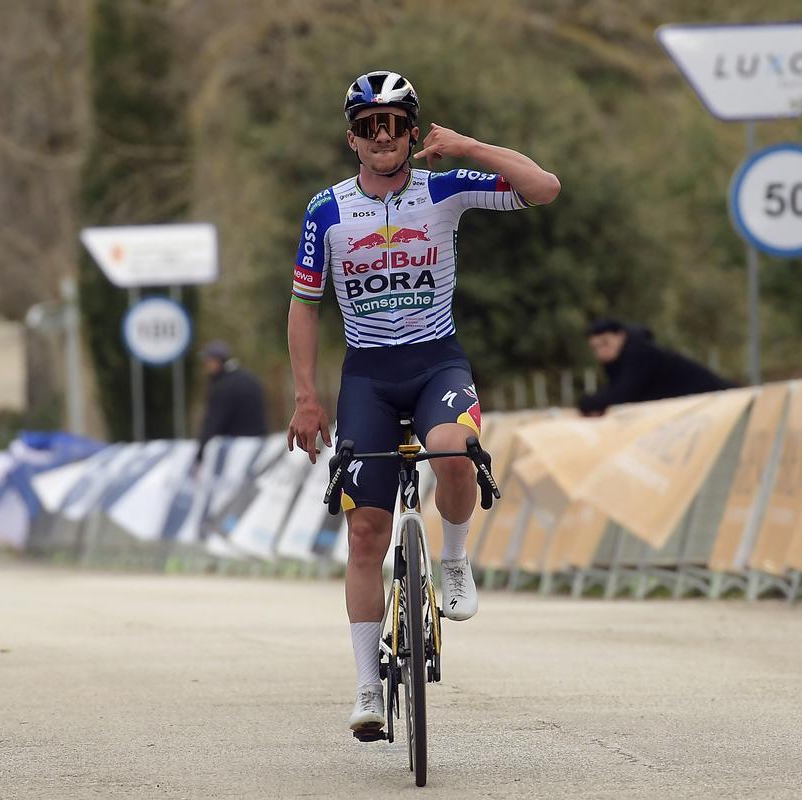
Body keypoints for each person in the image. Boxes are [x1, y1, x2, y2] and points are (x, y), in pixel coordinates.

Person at [285, 70, 560, 735]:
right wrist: (306, 397)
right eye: (367, 127)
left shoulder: (443, 189)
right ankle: (366, 688)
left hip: (437, 363)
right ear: (352, 139)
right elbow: (304, 305)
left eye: (394, 125)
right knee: (365, 534)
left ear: (412, 133)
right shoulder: (326, 210)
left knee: (454, 452)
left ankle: (455, 560)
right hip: (368, 379)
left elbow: (543, 188)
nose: (381, 137)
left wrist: (468, 147)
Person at [577, 318, 734, 415]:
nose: (601, 352)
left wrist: (587, 403)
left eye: (605, 343)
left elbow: (622, 395)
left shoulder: (638, 352)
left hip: (718, 398)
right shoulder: (618, 360)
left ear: (621, 336)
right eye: (595, 348)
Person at [194, 340, 267, 465]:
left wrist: (200, 453)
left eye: (208, 361)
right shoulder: (249, 378)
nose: (206, 366)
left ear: (217, 361)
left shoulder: (222, 386)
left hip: (234, 451)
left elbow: (214, 422)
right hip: (259, 447)